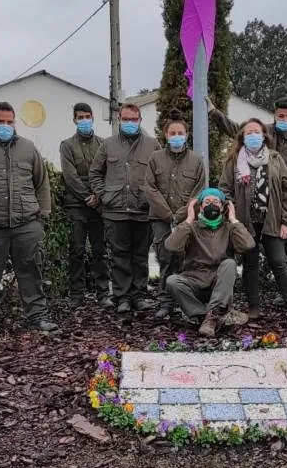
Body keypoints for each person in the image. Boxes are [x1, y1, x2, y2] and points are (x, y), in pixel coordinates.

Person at [0, 102, 58, 333]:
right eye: (0, 122)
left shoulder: (28, 148)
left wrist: (42, 216)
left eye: (9, 122)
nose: (5, 126)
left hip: (26, 224)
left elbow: (41, 183)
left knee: (31, 271)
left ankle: (37, 317)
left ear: (15, 122)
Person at [208, 94, 287, 288]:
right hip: (265, 198)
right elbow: (236, 130)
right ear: (275, 115)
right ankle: (263, 287)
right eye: (280, 116)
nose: (284, 120)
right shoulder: (266, 133)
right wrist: (214, 113)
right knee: (262, 247)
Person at [220, 118, 287, 319]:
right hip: (246, 223)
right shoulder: (234, 161)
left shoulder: (275, 159)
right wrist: (233, 214)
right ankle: (254, 307)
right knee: (250, 264)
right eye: (249, 133)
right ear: (242, 137)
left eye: (256, 132)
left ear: (264, 135)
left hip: (272, 221)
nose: (253, 136)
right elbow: (224, 190)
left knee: (279, 262)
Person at [89, 103, 160, 313]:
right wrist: (104, 195)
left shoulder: (152, 145)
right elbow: (95, 173)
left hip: (142, 211)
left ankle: (139, 296)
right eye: (126, 119)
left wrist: (151, 197)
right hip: (115, 211)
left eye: (134, 119)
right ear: (119, 119)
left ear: (140, 120)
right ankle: (122, 298)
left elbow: (159, 175)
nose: (130, 123)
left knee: (140, 256)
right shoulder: (107, 145)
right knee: (119, 256)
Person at [165, 189, 255, 336]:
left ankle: (213, 315)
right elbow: (171, 246)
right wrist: (188, 220)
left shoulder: (228, 228)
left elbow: (248, 245)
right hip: (194, 280)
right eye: (207, 202)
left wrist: (234, 220)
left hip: (219, 285)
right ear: (201, 207)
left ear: (222, 207)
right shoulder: (191, 227)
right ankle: (203, 316)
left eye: (215, 202)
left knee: (230, 264)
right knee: (172, 281)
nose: (211, 205)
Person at [145, 110, 205, 320]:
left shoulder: (196, 161)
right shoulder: (155, 158)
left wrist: (180, 215)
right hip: (160, 218)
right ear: (166, 135)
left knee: (186, 258)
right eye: (173, 133)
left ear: (187, 135)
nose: (177, 136)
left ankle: (184, 300)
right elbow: (150, 188)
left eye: (181, 132)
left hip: (186, 218)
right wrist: (167, 214)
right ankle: (165, 301)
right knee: (166, 257)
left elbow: (198, 191)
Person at [59, 102, 111, 309]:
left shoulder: (103, 144)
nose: (84, 121)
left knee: (101, 251)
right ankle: (77, 294)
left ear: (93, 118)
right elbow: (70, 176)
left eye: (87, 116)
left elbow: (108, 172)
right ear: (74, 120)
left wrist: (99, 196)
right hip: (76, 205)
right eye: (80, 117)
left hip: (99, 206)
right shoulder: (67, 145)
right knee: (77, 250)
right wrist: (87, 196)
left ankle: (103, 293)